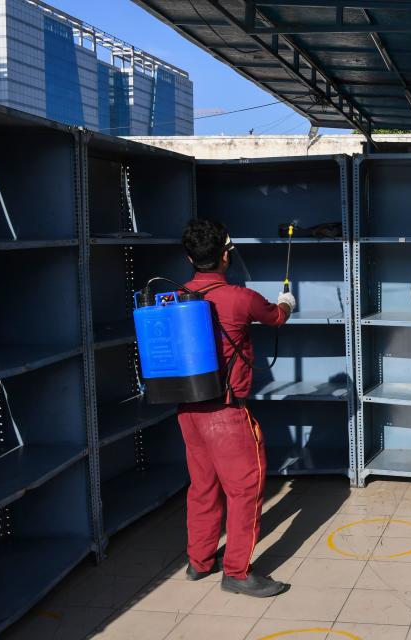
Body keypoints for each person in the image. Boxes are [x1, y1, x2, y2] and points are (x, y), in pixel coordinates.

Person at [177, 219, 296, 597]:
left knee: (202, 487)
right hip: (226, 414)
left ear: (190, 257)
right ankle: (238, 572)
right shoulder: (239, 297)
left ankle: (199, 561)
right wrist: (286, 302)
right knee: (245, 490)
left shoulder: (178, 297)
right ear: (226, 256)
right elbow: (276, 317)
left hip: (188, 411)